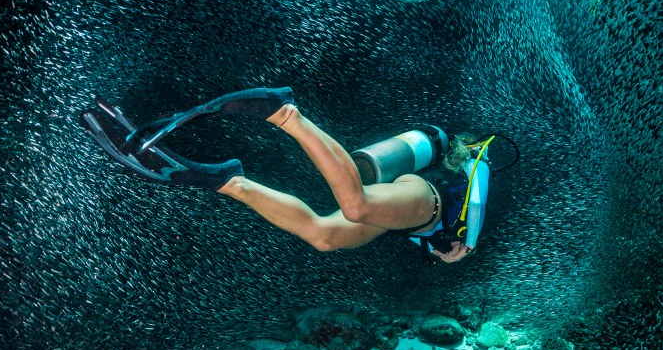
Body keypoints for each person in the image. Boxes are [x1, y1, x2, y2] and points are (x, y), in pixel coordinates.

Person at [80, 87, 490, 263]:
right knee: (356, 204)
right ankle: (283, 112)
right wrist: (467, 242)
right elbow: (481, 184)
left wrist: (443, 247)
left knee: (324, 237)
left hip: (414, 221)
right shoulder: (474, 176)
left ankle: (224, 180)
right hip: (425, 201)